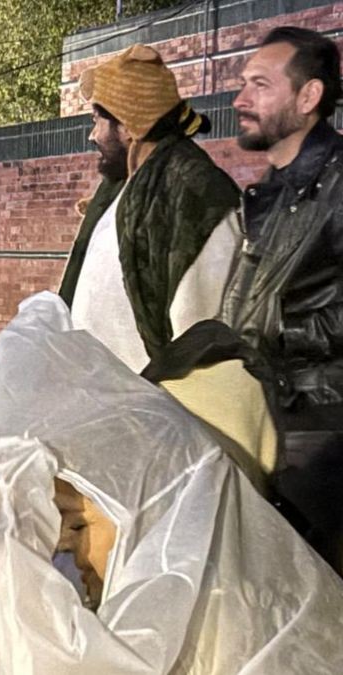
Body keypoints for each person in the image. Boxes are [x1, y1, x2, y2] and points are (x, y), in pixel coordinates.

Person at [0, 292, 343, 674]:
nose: (68, 553)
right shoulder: (181, 595)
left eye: (77, 526)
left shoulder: (224, 625)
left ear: (163, 515)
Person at [222, 27, 343, 573]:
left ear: (309, 97)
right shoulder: (269, 191)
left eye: (260, 85)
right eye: (242, 83)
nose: (240, 99)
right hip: (266, 417)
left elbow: (274, 318)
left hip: (323, 434)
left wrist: (278, 331)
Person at [58, 44, 241, 373]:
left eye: (97, 120)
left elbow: (199, 333)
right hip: (99, 403)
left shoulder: (196, 193)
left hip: (150, 411)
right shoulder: (124, 185)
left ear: (127, 126)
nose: (91, 135)